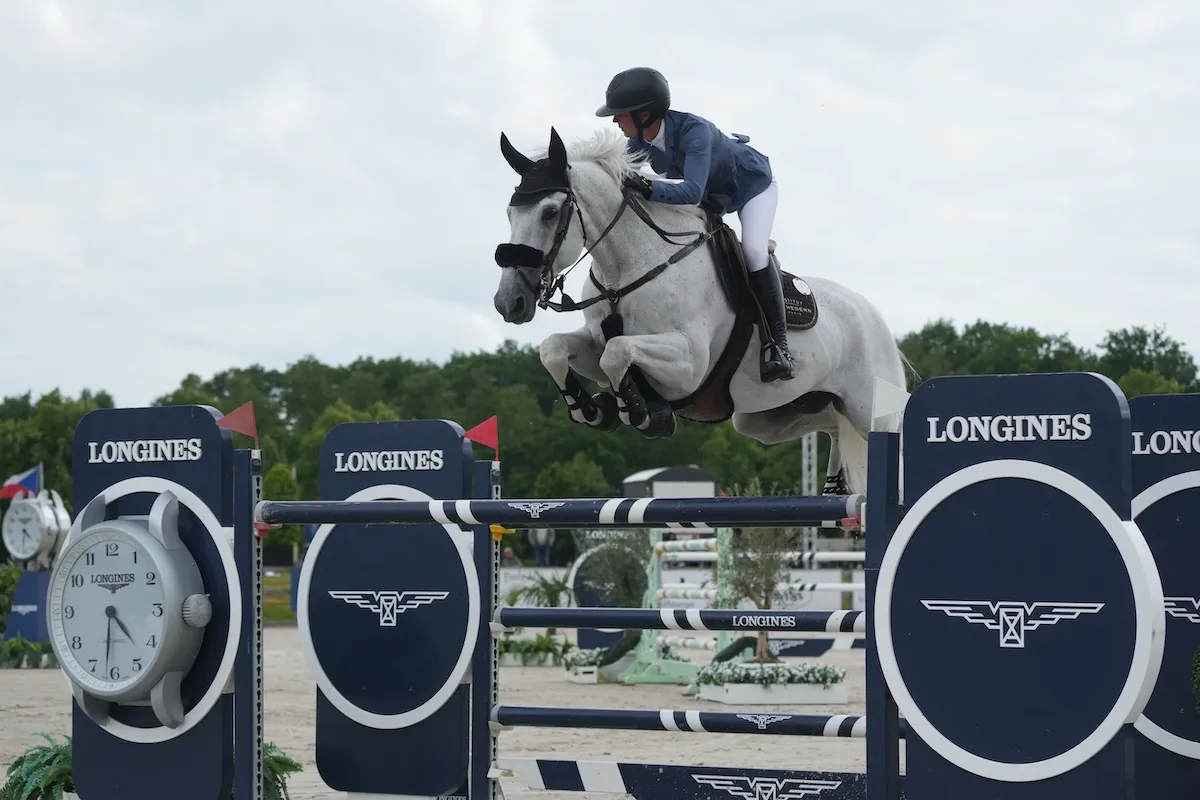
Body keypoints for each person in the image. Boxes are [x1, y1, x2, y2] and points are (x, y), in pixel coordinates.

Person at [595, 66, 794, 383]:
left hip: (752, 188)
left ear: (645, 114)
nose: (615, 121)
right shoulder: (641, 141)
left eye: (620, 114)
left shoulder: (695, 132)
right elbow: (618, 170)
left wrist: (648, 187)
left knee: (754, 252)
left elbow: (691, 191)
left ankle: (778, 347)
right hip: (714, 198)